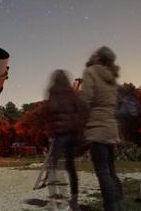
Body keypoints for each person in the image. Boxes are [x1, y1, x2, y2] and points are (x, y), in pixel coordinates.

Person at [79, 46, 124, 211]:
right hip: (111, 129)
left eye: (95, 53)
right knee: (111, 172)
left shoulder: (90, 72)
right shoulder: (111, 77)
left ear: (98, 57)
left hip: (97, 129)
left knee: (103, 173)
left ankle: (111, 208)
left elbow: (86, 100)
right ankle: (120, 206)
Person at [45, 70, 89, 210]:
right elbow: (82, 109)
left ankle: (54, 199)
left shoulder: (53, 92)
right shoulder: (72, 94)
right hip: (72, 133)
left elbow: (50, 110)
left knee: (52, 166)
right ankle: (74, 198)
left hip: (60, 134)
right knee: (71, 167)